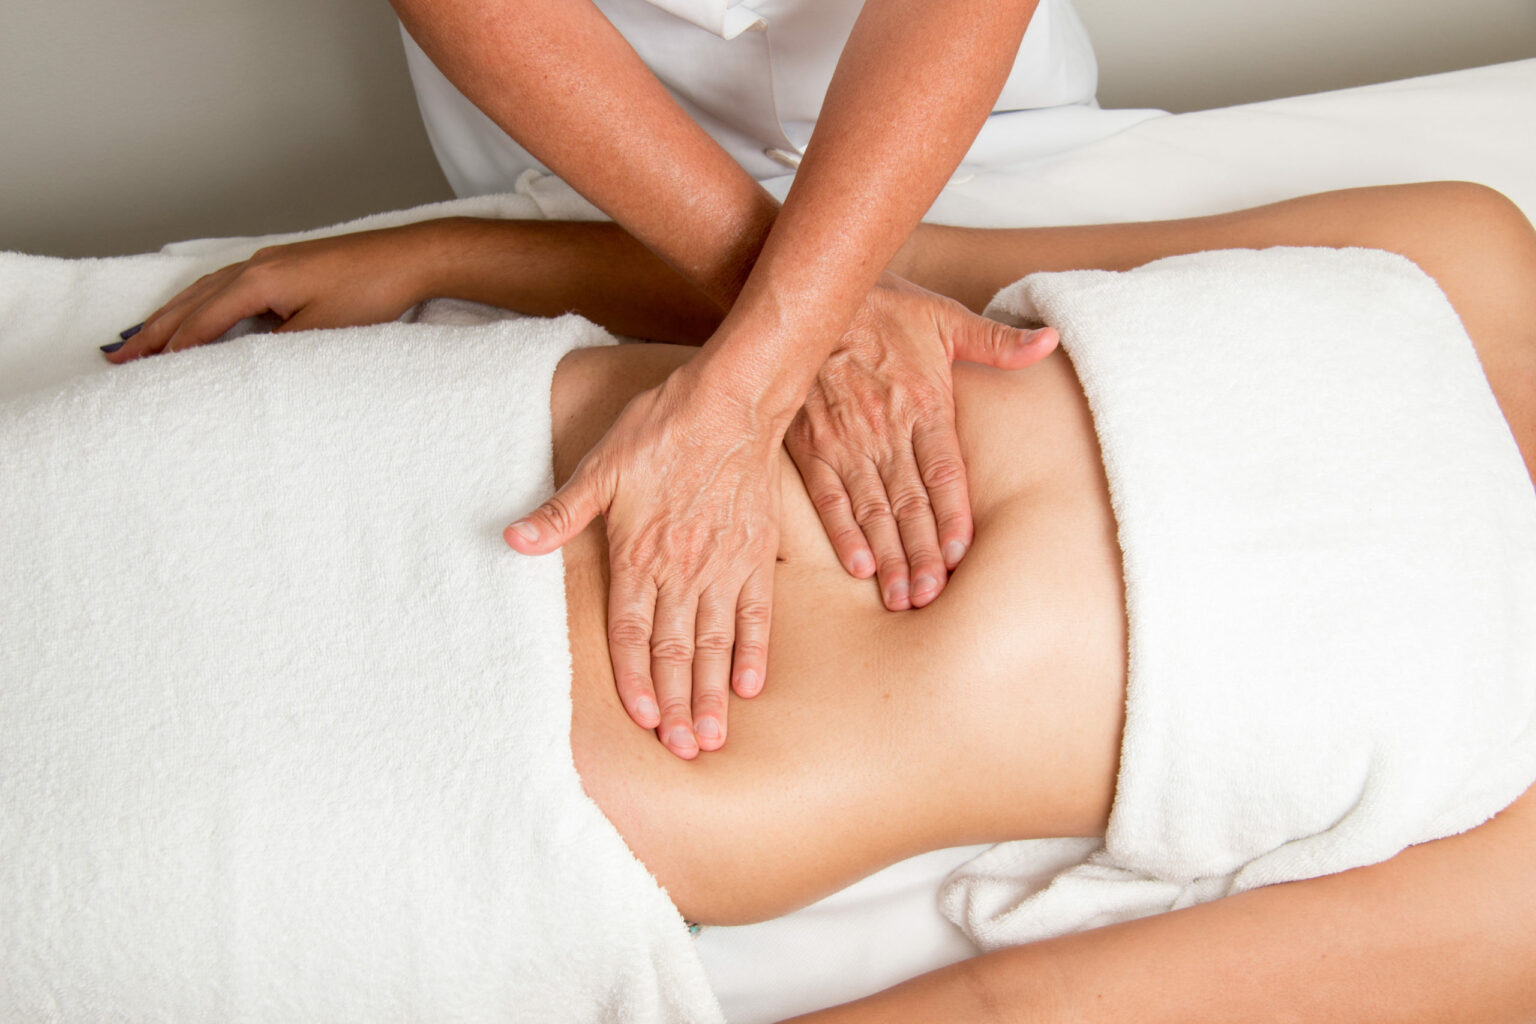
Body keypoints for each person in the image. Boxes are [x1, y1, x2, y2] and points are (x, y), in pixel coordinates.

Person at [103, 180, 1536, 1020]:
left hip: (518, 795)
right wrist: (441, 253)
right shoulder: (1464, 256)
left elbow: (1042, 1008)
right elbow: (890, 278)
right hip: (454, 449)